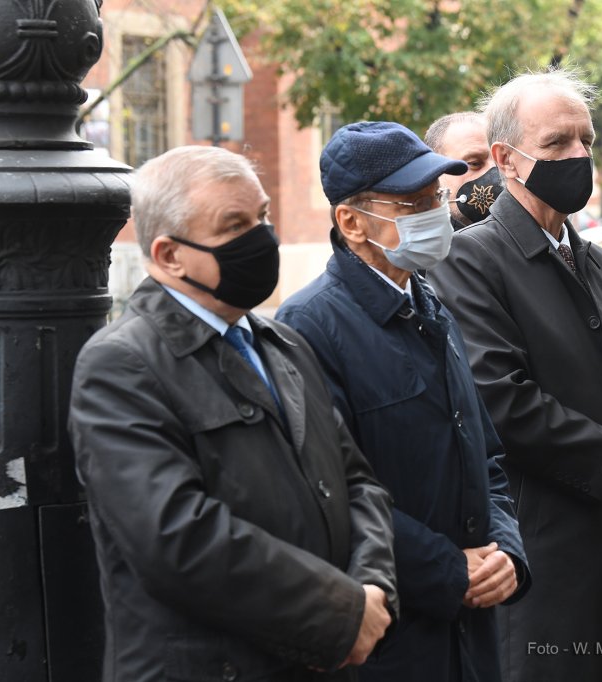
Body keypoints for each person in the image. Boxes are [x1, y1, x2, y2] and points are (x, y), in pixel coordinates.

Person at [68, 146, 398, 681]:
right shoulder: (121, 365)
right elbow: (177, 539)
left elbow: (358, 483)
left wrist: (371, 593)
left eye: (262, 216)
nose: (261, 238)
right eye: (235, 225)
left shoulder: (282, 344)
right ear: (170, 255)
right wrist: (337, 612)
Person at [427, 66, 602, 681]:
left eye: (586, 141)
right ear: (505, 159)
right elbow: (503, 402)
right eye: (555, 144)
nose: (577, 155)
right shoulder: (467, 261)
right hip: (554, 565)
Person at [277, 121, 529, 682]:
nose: (435, 214)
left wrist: (506, 552)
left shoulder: (430, 302)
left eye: (434, 198)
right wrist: (447, 571)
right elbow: (328, 494)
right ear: (352, 222)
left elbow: (485, 454)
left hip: (472, 632)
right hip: (391, 641)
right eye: (412, 204)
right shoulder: (308, 326)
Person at [424, 112, 506, 230]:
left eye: (500, 162)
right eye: (474, 163)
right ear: (435, 172)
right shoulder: (420, 244)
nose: (496, 174)